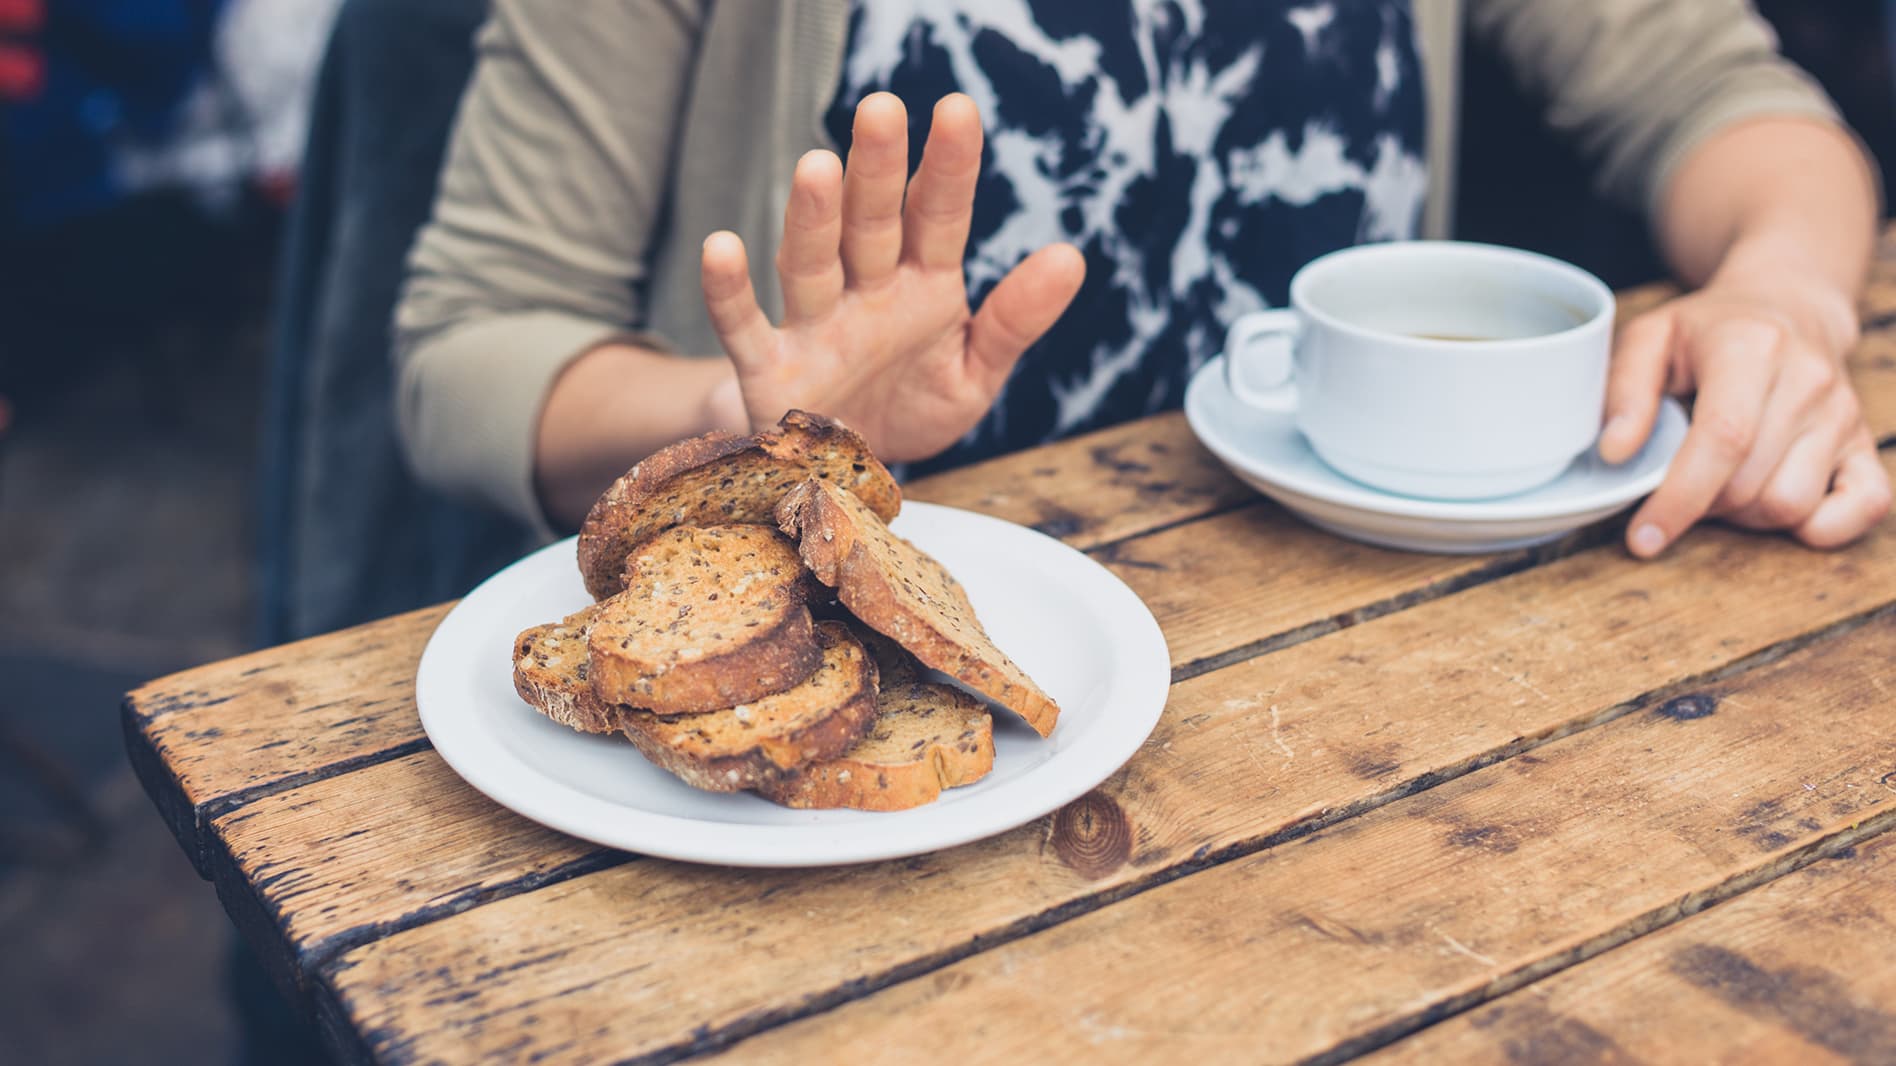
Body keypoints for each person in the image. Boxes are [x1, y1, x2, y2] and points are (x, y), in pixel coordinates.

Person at [393, 0, 1889, 566]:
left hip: (1363, 663)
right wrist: (739, 409)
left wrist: (1787, 296)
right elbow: (464, 349)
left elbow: (1725, 103)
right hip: (849, 721)